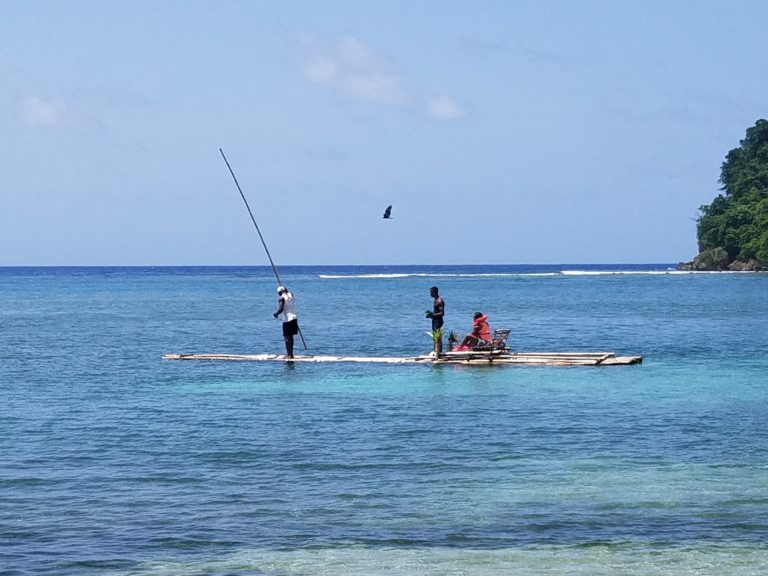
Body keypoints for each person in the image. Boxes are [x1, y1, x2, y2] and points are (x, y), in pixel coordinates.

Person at [273, 285, 298, 359]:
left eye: (279, 293)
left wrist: (276, 314)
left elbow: (281, 309)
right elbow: (287, 291)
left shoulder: (281, 298)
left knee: (287, 337)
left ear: (280, 292)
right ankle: (291, 354)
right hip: (294, 317)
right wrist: (284, 288)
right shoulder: (291, 295)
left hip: (287, 319)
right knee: (291, 337)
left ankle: (289, 355)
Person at [425, 286, 445, 354]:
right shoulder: (435, 300)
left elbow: (442, 313)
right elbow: (436, 311)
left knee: (438, 337)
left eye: (431, 292)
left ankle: (438, 352)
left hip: (438, 321)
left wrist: (432, 315)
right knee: (435, 337)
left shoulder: (439, 301)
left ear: (435, 292)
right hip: (435, 320)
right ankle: (436, 351)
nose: (430, 294)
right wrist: (431, 314)